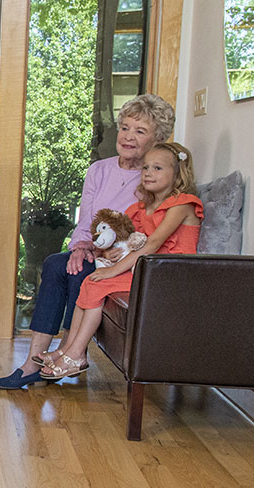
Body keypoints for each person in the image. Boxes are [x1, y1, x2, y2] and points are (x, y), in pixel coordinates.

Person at [0, 94, 176, 389]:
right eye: (125, 128)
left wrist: (101, 250)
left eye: (140, 131)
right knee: (57, 263)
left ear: (159, 138)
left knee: (79, 269)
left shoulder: (154, 177)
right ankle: (34, 361)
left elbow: (144, 229)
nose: (128, 137)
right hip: (91, 248)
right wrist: (79, 246)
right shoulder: (99, 170)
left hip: (121, 257)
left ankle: (66, 355)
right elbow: (86, 220)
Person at [39, 142, 202, 379]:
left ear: (177, 174)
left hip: (171, 274)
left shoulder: (182, 204)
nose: (148, 173)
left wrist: (113, 271)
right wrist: (110, 254)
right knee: (90, 282)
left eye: (157, 168)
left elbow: (153, 245)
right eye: (145, 168)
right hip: (146, 269)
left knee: (100, 282)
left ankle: (76, 354)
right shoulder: (140, 207)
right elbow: (123, 239)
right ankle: (67, 350)